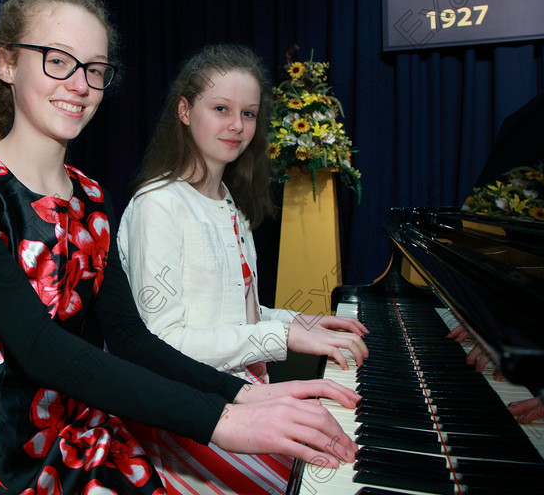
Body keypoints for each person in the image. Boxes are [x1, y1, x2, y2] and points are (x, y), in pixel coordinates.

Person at [0, 0, 361, 494]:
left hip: (78, 434)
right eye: (57, 60)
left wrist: (245, 397)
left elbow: (131, 339)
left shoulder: (92, 197)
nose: (80, 84)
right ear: (6, 63)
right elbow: (39, 348)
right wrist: (224, 420)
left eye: (93, 69)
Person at [117, 43, 369, 493]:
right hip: (190, 409)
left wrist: (300, 321)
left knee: (342, 445)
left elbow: (236, 316)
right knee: (327, 469)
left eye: (249, 113)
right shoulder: (158, 204)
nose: (237, 126)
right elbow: (161, 344)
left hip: (245, 389)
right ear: (184, 110)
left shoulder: (227, 201)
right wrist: (284, 336)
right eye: (221, 108)